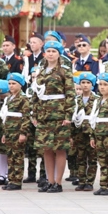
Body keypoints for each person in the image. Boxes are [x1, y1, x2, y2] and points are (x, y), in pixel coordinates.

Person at [31, 41, 76, 193]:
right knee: (47, 149)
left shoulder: (65, 71)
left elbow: (70, 94)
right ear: (44, 53)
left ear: (59, 54)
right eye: (48, 51)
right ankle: (50, 181)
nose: (50, 54)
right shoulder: (40, 72)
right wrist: (34, 114)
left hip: (59, 114)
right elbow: (36, 94)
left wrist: (68, 115)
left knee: (60, 149)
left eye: (53, 51)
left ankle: (58, 182)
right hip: (44, 115)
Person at [1, 73, 32, 190]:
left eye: (14, 84)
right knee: (10, 157)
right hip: (9, 132)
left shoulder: (23, 99)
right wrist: (4, 133)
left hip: (18, 132)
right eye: (9, 84)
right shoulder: (9, 98)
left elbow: (26, 117)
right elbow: (6, 118)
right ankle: (11, 179)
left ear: (20, 85)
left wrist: (23, 133)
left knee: (17, 156)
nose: (11, 86)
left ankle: (17, 181)